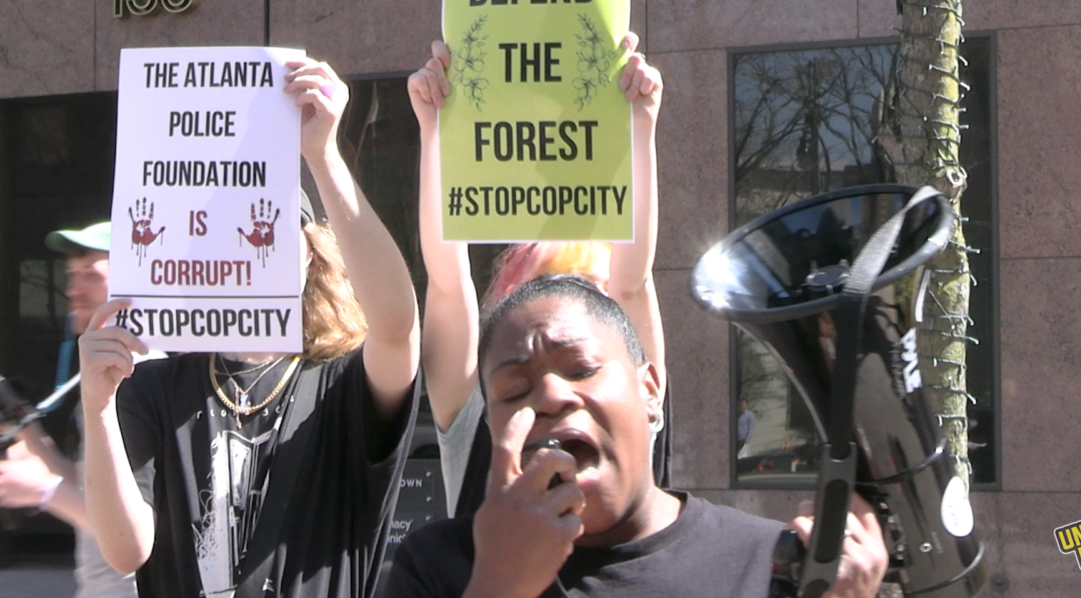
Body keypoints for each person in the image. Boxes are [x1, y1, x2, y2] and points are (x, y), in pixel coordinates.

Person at [78, 58, 422, 598]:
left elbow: (398, 326)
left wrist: (322, 154)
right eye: (214, 227)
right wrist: (97, 410)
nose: (236, 238)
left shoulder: (342, 386)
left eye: (260, 220)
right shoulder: (153, 389)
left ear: (309, 253)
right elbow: (127, 550)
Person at [385, 275, 889, 598]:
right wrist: (501, 585)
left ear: (650, 390)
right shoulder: (438, 566)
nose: (551, 396)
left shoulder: (770, 565)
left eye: (580, 368)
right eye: (515, 391)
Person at [408, 34, 667, 517]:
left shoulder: (630, 391)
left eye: (593, 294)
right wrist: (437, 130)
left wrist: (640, 123)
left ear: (646, 387)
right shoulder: (472, 413)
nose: (554, 395)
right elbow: (447, 284)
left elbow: (634, 282)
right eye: (544, 288)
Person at [0, 221, 160, 598]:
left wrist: (43, 491)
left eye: (90, 275)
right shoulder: (103, 372)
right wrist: (20, 420)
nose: (72, 290)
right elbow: (91, 490)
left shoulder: (140, 376)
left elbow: (133, 530)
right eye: (71, 275)